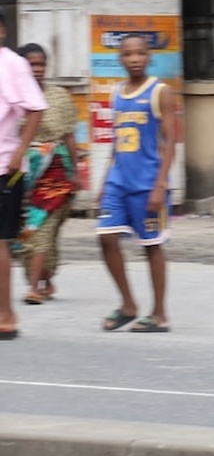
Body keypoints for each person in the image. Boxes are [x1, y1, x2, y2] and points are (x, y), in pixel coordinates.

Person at [97, 33, 177, 333]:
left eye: (140, 53)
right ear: (120, 59)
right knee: (105, 237)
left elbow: (170, 142)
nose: (134, 59)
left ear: (149, 57)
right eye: (128, 54)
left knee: (151, 246)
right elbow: (116, 143)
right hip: (119, 181)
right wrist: (105, 181)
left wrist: (160, 185)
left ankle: (159, 313)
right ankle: (128, 304)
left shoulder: (160, 92)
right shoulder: (116, 93)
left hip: (147, 183)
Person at [16, 43, 79, 305]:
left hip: (56, 175)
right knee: (24, 233)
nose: (38, 69)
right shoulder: (11, 96)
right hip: (21, 174)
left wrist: (76, 172)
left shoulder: (59, 97)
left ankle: (33, 288)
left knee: (42, 229)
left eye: (41, 64)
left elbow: (69, 137)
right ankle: (46, 278)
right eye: (32, 64)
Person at [0, 11, 46, 340]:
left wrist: (20, 150)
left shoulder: (12, 63)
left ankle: (7, 313)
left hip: (5, 167)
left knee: (0, 243)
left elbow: (36, 107)